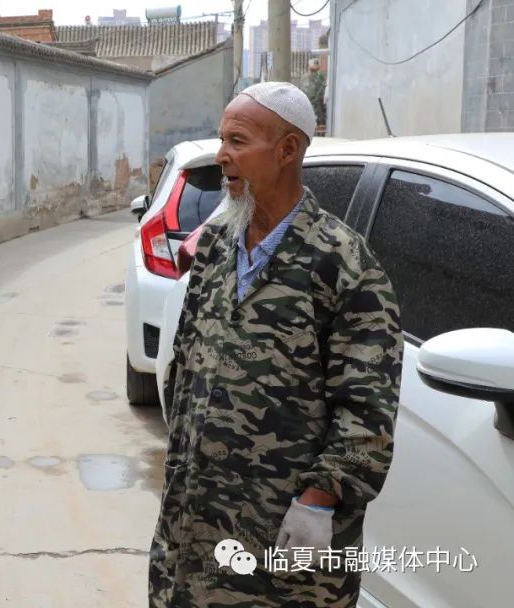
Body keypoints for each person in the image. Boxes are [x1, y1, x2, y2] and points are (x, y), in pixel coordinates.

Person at [148, 82, 404, 608]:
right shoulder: (218, 245)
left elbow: (367, 413)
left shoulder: (344, 264)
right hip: (192, 530)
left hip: (280, 543)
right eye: (222, 139)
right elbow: (186, 367)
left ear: (288, 149)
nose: (222, 156)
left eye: (238, 141)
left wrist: (318, 501)